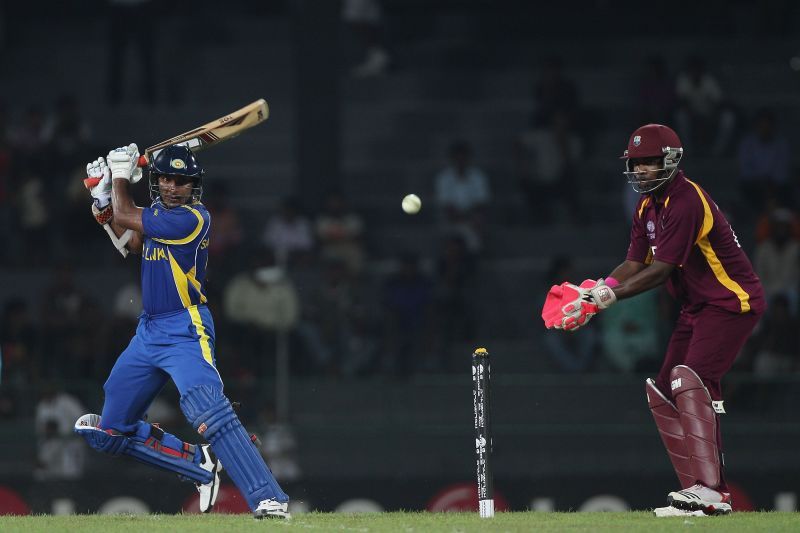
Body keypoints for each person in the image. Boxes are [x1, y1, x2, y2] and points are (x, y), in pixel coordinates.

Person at [544, 124, 765, 517]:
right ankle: (694, 494)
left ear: (671, 161)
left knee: (689, 377)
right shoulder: (648, 206)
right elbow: (633, 263)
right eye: (636, 163)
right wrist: (595, 290)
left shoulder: (685, 201)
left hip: (731, 302)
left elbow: (662, 270)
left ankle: (714, 492)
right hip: (696, 306)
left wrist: (607, 298)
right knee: (662, 390)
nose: (641, 170)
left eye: (649, 162)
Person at [73, 144, 290, 519]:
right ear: (156, 182)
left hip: (185, 327)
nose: (174, 187)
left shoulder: (194, 218)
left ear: (194, 187)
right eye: (167, 180)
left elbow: (127, 214)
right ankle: (199, 465)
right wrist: (103, 200)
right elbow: (130, 244)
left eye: (183, 182)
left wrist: (118, 179)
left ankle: (269, 498)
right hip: (149, 331)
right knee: (109, 433)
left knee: (207, 408)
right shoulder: (155, 214)